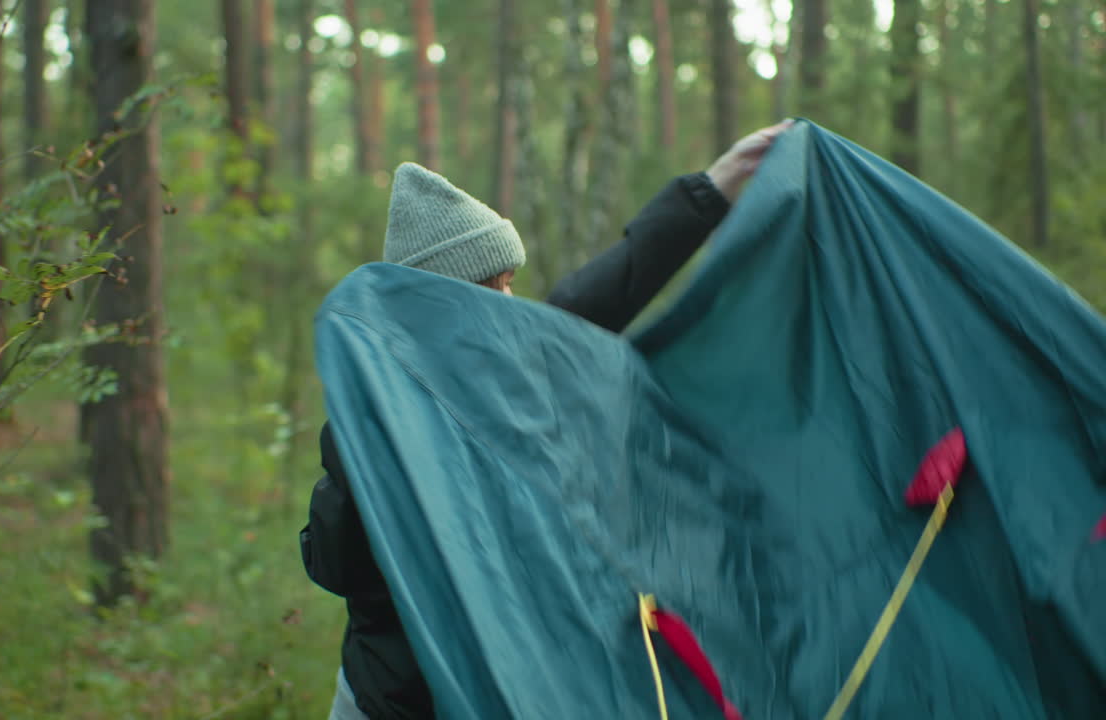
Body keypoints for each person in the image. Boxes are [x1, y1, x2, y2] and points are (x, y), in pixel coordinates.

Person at [300, 121, 793, 720]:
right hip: (394, 702)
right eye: (490, 288)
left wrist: (711, 189)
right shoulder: (375, 420)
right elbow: (337, 565)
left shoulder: (517, 373)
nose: (508, 306)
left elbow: (599, 298)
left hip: (504, 690)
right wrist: (355, 465)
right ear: (437, 305)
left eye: (510, 284)